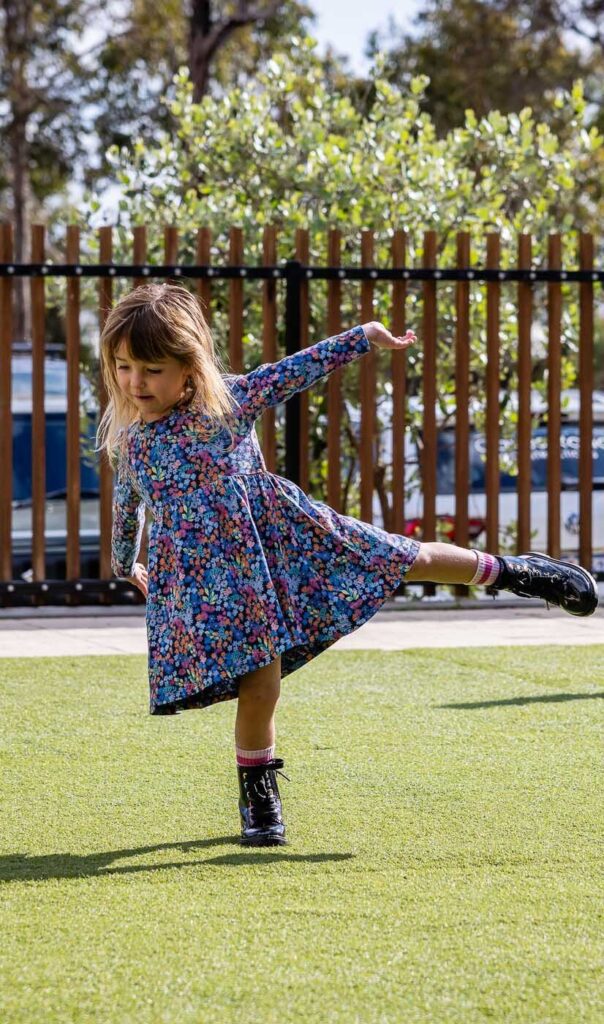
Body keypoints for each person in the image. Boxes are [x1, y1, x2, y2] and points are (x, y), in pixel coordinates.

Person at [96, 283, 599, 848]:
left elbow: (297, 369)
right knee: (259, 688)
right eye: (123, 367)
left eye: (151, 369)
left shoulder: (227, 406)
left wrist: (362, 338)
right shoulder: (133, 443)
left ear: (189, 366)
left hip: (282, 545)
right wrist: (125, 562)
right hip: (213, 584)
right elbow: (128, 506)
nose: (135, 382)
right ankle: (258, 797)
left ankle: (518, 573)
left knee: (405, 557)